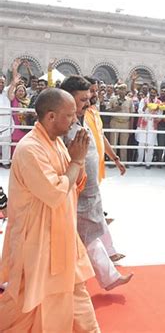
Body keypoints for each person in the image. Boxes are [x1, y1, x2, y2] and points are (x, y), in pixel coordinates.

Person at [0, 88, 100, 332]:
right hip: (36, 242)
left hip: (62, 237)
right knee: (27, 303)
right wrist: (76, 161)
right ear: (51, 116)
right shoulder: (30, 149)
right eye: (70, 115)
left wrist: (78, 164)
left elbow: (73, 183)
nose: (75, 119)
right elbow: (55, 193)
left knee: (75, 293)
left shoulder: (55, 143)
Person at [61, 76, 133, 291]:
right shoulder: (62, 126)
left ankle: (108, 275)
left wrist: (115, 159)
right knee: (85, 236)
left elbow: (100, 139)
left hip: (89, 186)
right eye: (84, 97)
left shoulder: (87, 114)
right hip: (72, 190)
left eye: (91, 94)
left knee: (89, 234)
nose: (90, 99)